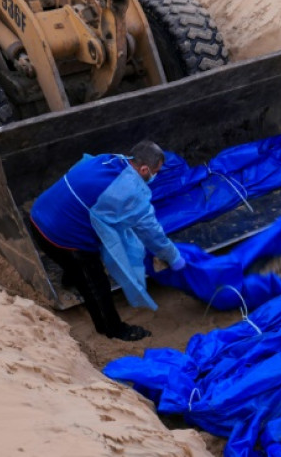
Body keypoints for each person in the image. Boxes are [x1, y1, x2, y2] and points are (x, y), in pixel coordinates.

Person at [29, 140, 185, 341]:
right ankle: (111, 329)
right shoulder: (130, 191)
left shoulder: (106, 159)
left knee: (76, 266)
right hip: (61, 238)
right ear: (145, 169)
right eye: (156, 172)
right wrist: (174, 257)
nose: (155, 176)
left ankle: (71, 278)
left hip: (38, 216)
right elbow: (152, 232)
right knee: (96, 284)